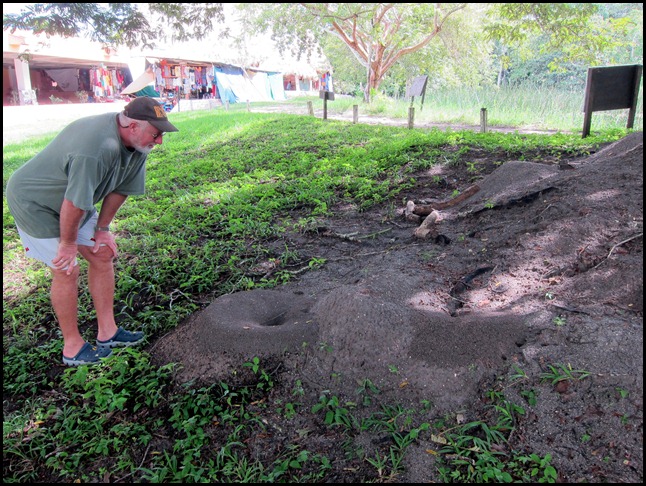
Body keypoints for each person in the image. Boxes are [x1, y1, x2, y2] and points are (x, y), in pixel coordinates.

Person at [6, 97, 179, 366]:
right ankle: (72, 347)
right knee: (66, 268)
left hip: (73, 200)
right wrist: (67, 243)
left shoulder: (136, 144)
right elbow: (73, 203)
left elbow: (122, 189)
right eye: (156, 134)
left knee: (102, 253)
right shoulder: (96, 148)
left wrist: (103, 229)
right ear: (132, 126)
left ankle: (107, 333)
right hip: (35, 202)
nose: (159, 142)